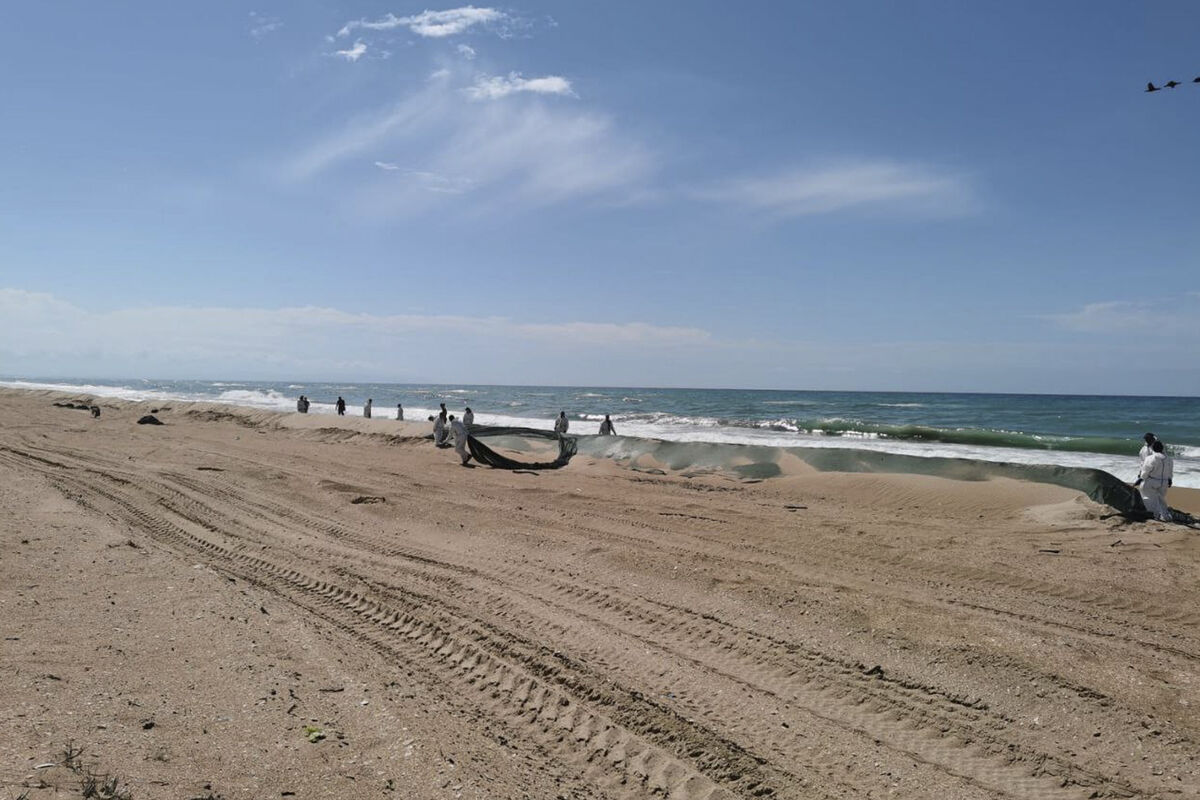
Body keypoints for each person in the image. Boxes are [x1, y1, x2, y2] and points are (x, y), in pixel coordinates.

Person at [1133, 440, 1173, 522]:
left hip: (1152, 482)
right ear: (1162, 448)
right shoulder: (1169, 459)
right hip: (1164, 482)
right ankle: (1165, 516)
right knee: (1161, 499)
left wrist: (1140, 479)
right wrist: (1170, 480)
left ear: (1153, 449)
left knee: (1148, 497)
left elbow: (1145, 471)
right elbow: (1170, 471)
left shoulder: (1150, 458)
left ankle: (1155, 515)